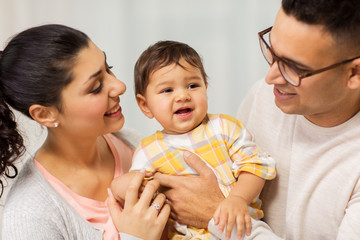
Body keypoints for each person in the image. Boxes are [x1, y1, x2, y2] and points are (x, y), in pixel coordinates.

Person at [142, 0, 360, 239]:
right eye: (272, 52)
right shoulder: (265, 97)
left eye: (294, 67)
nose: (270, 77)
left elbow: (218, 205)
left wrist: (215, 215)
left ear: (354, 73)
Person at [0, 24, 170, 240]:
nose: (119, 86)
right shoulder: (29, 216)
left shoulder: (135, 144)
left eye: (108, 68)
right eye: (96, 87)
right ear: (45, 114)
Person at [113, 40, 276, 239]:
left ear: (205, 88)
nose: (183, 96)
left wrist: (238, 199)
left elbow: (256, 166)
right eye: (167, 90)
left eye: (192, 85)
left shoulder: (224, 127)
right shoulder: (149, 150)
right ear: (145, 105)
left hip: (240, 230)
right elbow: (131, 188)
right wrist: (122, 184)